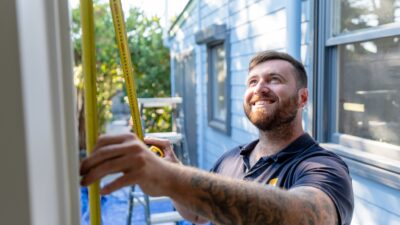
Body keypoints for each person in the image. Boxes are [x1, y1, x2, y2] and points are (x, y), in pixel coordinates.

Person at [80, 50, 354, 225]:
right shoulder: (233, 158)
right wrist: (174, 172)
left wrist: (167, 178)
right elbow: (198, 215)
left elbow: (309, 217)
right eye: (252, 82)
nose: (260, 88)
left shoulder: (322, 166)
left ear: (302, 98)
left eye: (274, 80)